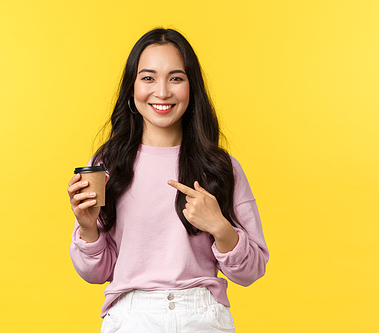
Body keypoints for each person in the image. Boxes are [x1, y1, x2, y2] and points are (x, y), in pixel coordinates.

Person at [68, 28, 269, 332]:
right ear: (131, 89)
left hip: (202, 316)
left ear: (192, 87)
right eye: (148, 78)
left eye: (176, 78)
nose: (162, 92)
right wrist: (87, 228)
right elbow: (96, 273)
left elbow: (252, 271)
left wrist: (219, 227)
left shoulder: (220, 167)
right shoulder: (106, 165)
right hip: (131, 317)